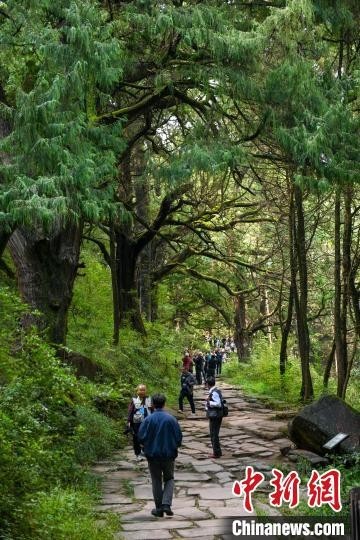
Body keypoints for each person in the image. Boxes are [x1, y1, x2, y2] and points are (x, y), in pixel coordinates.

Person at [138, 393, 182, 517]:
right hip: (169, 454)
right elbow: (178, 437)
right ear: (164, 404)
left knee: (156, 480)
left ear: (152, 404)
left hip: (153, 455)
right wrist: (175, 446)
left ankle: (158, 508)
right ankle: (166, 504)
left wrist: (146, 446)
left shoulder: (148, 420)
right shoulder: (171, 419)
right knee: (169, 478)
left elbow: (141, 437)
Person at [127, 384, 152, 459]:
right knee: (136, 437)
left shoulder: (149, 399)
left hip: (147, 422)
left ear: (146, 391)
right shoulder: (134, 400)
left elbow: (153, 409)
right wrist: (129, 421)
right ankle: (137, 453)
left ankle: (145, 451)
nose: (142, 391)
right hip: (136, 423)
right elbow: (130, 411)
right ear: (137, 391)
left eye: (143, 390)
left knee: (147, 436)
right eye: (140, 390)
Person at [205, 376, 223, 458]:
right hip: (216, 415)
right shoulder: (215, 390)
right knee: (214, 434)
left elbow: (218, 404)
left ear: (208, 384)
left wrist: (209, 402)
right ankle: (217, 451)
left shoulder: (214, 392)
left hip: (215, 416)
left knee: (214, 434)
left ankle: (216, 453)